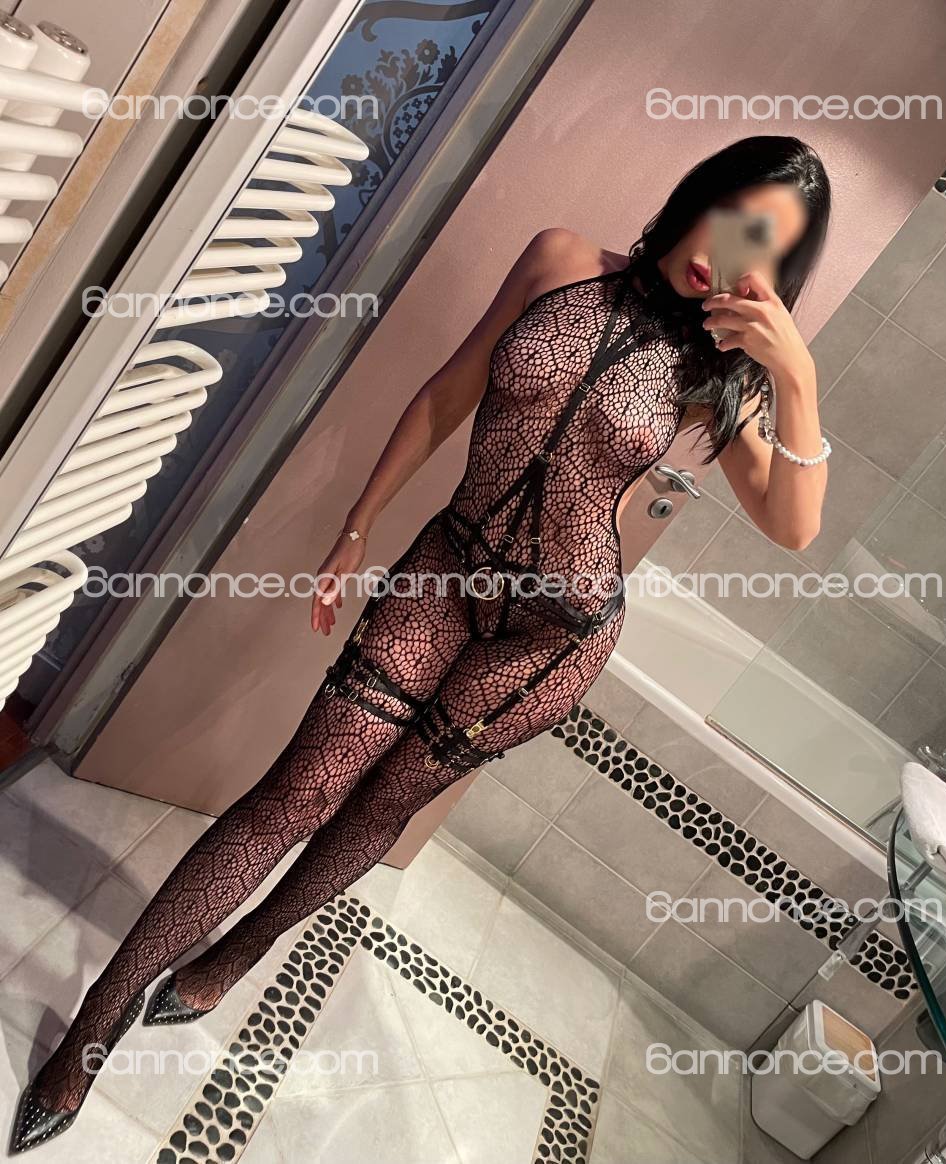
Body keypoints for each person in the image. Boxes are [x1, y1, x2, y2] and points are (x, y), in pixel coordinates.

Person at [10, 134, 831, 1153]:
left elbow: (793, 525)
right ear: (702, 195)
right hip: (448, 566)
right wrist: (358, 525)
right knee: (297, 792)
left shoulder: (719, 376)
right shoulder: (561, 259)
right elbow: (448, 392)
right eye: (737, 216)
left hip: (552, 637)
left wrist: (796, 379)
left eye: (767, 248)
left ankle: (238, 952)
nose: (736, 251)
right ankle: (92, 1032)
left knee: (379, 806)